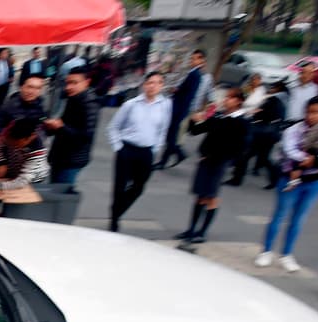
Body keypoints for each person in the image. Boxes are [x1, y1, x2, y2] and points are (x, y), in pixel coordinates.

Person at [175, 87, 249, 245]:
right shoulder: (218, 116)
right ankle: (191, 229)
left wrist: (227, 160)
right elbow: (196, 131)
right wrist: (194, 120)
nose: (225, 100)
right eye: (226, 97)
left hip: (220, 162)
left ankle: (202, 232)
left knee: (211, 196)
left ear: (238, 101)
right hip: (206, 160)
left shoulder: (242, 122)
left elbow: (241, 148)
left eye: (229, 97)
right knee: (200, 195)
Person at [255, 96, 318, 273]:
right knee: (279, 215)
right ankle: (266, 251)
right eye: (311, 111)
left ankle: (287, 254)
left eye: (317, 112)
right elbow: (289, 150)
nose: (313, 116)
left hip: (313, 182)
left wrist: (313, 161)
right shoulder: (294, 130)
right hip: (290, 179)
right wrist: (306, 159)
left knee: (298, 219)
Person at [107, 71, 171, 232]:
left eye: (157, 83)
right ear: (144, 85)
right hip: (127, 149)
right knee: (120, 187)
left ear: (161, 86)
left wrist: (156, 148)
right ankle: (114, 220)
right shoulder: (131, 104)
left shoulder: (165, 106)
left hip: (146, 152)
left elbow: (163, 130)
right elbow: (113, 127)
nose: (153, 86)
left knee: (138, 187)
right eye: (150, 82)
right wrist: (119, 147)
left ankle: (117, 210)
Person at [45, 68, 100, 188]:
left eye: (74, 83)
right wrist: (53, 127)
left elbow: (85, 136)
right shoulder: (74, 98)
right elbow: (65, 124)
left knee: (61, 196)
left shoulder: (89, 104)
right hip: (60, 156)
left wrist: (61, 127)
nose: (69, 87)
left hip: (72, 160)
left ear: (87, 82)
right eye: (68, 83)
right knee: (54, 190)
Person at [156, 49, 208, 170]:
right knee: (170, 136)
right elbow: (185, 92)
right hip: (178, 107)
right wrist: (177, 90)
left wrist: (180, 112)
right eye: (191, 58)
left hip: (179, 109)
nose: (192, 60)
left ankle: (173, 157)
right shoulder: (193, 73)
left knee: (171, 136)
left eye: (194, 58)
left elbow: (189, 96)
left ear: (201, 60)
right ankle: (175, 156)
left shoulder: (196, 75)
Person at [233, 80, 288, 188]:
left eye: (273, 87)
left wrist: (256, 113)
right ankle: (274, 180)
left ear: (277, 89)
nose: (270, 89)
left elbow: (264, 114)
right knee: (262, 158)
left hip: (263, 134)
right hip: (271, 134)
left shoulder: (273, 100)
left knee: (247, 154)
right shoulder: (283, 100)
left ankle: (237, 179)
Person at [0, 117, 50, 192]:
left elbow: (21, 181)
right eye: (11, 144)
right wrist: (1, 162)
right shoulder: (11, 129)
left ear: (30, 137)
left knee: (19, 200)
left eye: (17, 145)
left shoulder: (37, 152)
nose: (14, 147)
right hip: (13, 169)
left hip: (31, 179)